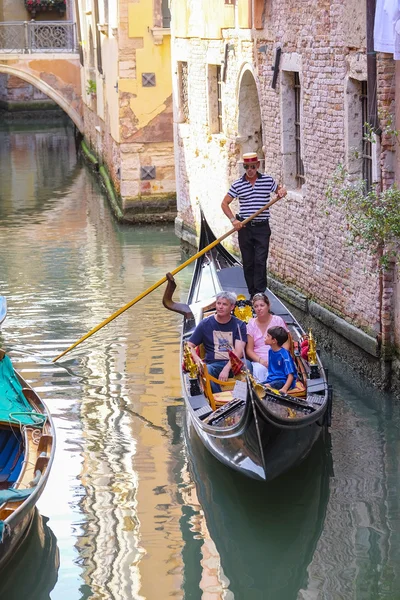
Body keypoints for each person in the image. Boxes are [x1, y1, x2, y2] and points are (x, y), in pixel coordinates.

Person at [221, 151, 287, 298]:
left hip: (262, 227)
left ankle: (259, 293)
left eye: (252, 166)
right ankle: (252, 293)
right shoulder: (237, 184)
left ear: (257, 165)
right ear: (244, 167)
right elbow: (224, 204)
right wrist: (234, 220)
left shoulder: (268, 181)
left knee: (260, 260)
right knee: (248, 262)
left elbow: (279, 191)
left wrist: (281, 191)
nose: (250, 170)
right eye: (247, 167)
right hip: (244, 227)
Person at [187, 291, 247, 393]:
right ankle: (218, 398)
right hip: (214, 364)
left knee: (248, 366)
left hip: (234, 364)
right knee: (207, 370)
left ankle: (240, 397)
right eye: (218, 303)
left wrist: (227, 368)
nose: (220, 307)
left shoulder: (239, 325)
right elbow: (189, 345)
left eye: (224, 304)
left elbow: (239, 352)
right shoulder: (205, 324)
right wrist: (198, 360)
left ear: (232, 307)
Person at [246, 292, 289, 383]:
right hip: (259, 361)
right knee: (259, 371)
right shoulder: (251, 323)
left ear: (268, 306)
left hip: (278, 358)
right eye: (256, 306)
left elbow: (285, 342)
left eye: (262, 305)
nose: (259, 309)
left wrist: (280, 358)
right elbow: (249, 349)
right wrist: (261, 361)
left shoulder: (277, 320)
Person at [263, 326, 297, 393]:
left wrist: (284, 389)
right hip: (271, 379)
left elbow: (291, 375)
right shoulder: (270, 351)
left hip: (283, 381)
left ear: (274, 341)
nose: (265, 337)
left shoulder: (284, 355)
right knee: (255, 385)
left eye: (268, 336)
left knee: (264, 387)